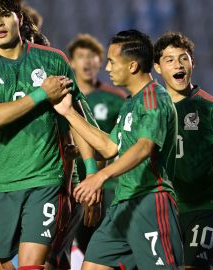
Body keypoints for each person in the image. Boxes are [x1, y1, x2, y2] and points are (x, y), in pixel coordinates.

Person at [0, 1, 100, 269]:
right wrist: (41, 94)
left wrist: (92, 173)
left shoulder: (53, 59)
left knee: (35, 264)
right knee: (10, 265)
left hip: (46, 181)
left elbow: (77, 121)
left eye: (5, 15)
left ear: (19, 18)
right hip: (2, 184)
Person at [54, 29, 184, 269]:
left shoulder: (154, 98)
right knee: (91, 265)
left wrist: (100, 177)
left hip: (150, 202)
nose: (107, 68)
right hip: (122, 205)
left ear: (132, 66)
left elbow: (145, 146)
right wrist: (69, 113)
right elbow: (109, 146)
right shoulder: (131, 103)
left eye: (112, 62)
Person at [153, 32, 213, 269]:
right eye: (170, 59)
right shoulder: (151, 109)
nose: (178, 64)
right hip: (165, 210)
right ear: (157, 67)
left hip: (206, 206)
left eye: (183, 58)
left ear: (192, 63)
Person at [67, 33, 128, 256]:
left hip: (106, 186)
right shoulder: (61, 96)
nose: (87, 61)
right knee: (63, 248)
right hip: (67, 183)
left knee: (102, 246)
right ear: (71, 62)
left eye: (93, 56)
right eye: (81, 56)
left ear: (100, 62)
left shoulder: (115, 98)